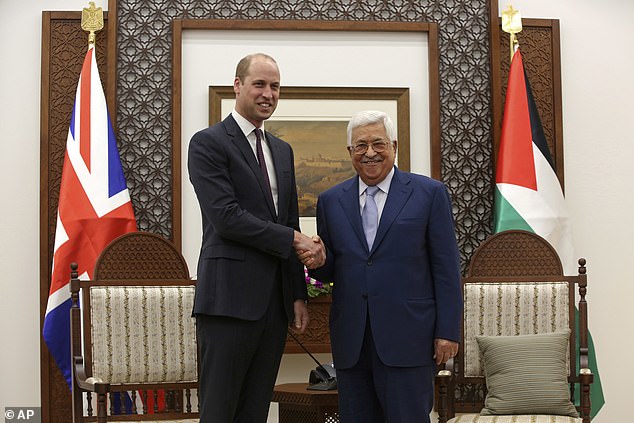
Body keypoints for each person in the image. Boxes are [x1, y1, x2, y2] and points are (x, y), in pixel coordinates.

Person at [188, 53, 325, 423]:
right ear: (238, 85)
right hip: (228, 302)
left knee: (255, 410)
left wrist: (296, 293)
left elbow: (289, 218)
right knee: (220, 409)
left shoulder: (282, 150)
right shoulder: (208, 144)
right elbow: (227, 218)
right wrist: (296, 240)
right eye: (260, 84)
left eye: (275, 86)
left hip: (273, 307)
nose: (268, 93)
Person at [309, 110, 462, 422]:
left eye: (377, 144)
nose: (369, 153)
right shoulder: (330, 201)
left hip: (409, 338)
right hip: (353, 342)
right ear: (350, 152)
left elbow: (446, 269)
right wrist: (318, 261)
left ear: (394, 145)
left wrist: (447, 331)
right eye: (360, 146)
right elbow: (329, 271)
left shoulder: (429, 194)